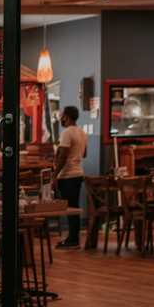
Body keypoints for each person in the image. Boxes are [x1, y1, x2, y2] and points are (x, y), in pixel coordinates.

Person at [54, 106, 88, 249]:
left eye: (62, 116)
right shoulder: (82, 132)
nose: (60, 118)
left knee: (70, 208)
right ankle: (73, 238)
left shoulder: (67, 133)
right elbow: (84, 154)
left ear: (66, 117)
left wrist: (54, 175)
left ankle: (73, 239)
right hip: (78, 173)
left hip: (68, 175)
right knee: (74, 207)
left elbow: (63, 156)